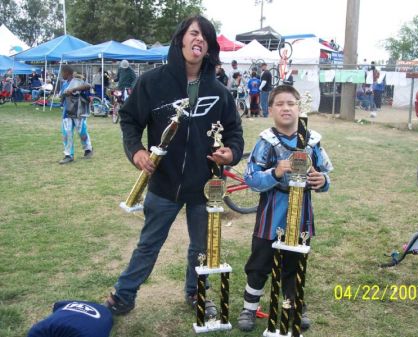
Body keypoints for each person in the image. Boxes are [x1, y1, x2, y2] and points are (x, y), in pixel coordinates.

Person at [105, 15, 244, 318]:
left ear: (209, 49)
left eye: (205, 38)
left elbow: (234, 132)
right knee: (148, 244)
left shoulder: (219, 91)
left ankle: (195, 292)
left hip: (204, 186)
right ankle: (124, 296)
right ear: (181, 38)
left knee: (199, 247)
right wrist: (137, 150)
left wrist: (230, 152)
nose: (199, 40)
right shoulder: (152, 82)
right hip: (164, 184)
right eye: (194, 34)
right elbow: (129, 119)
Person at [236, 85, 333, 332]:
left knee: (294, 263)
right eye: (280, 104)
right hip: (271, 216)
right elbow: (251, 179)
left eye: (291, 103)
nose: (286, 108)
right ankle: (249, 307)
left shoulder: (312, 141)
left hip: (301, 217)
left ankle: (293, 305)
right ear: (271, 110)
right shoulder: (265, 141)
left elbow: (323, 175)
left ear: (299, 108)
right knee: (259, 264)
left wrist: (322, 182)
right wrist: (276, 172)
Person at [59, 65, 93, 164]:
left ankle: (88, 149)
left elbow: (88, 86)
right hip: (67, 112)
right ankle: (68, 155)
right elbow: (62, 97)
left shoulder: (76, 81)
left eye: (62, 73)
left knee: (82, 131)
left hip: (78, 111)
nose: (62, 75)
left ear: (67, 73)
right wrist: (63, 97)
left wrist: (73, 90)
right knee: (67, 133)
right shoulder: (64, 84)